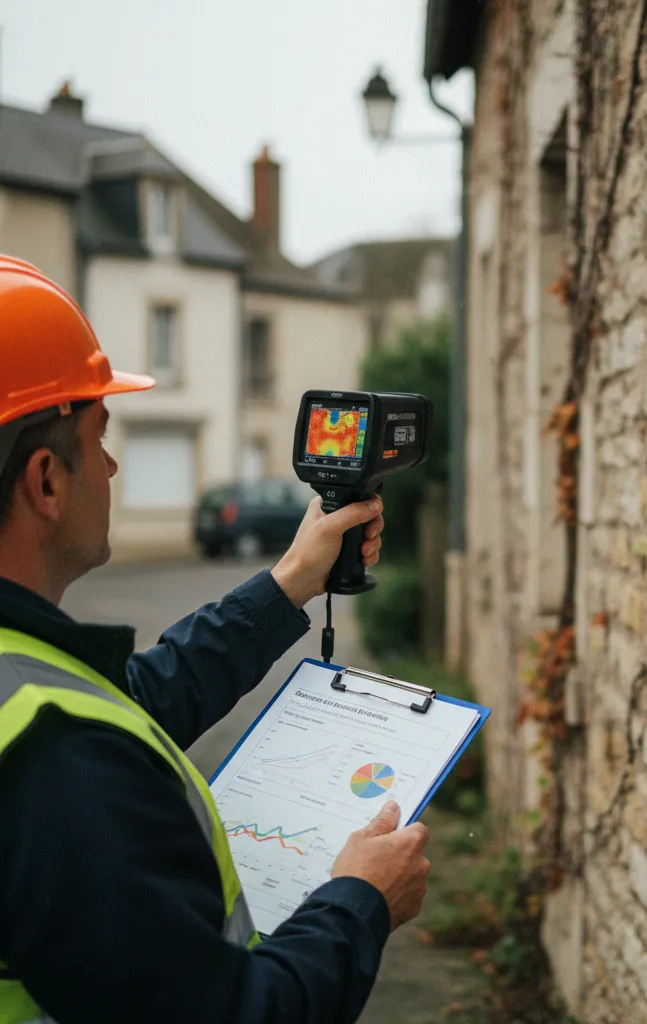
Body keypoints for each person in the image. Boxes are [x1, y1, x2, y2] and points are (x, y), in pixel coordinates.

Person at [0, 255, 430, 1023]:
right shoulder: (58, 762)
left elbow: (134, 700)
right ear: (45, 481)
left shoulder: (28, 691)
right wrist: (359, 900)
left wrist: (292, 577)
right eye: (99, 438)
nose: (111, 463)